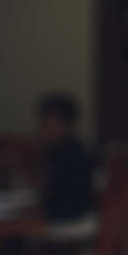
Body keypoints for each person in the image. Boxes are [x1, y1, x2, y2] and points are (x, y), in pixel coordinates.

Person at [36, 91, 94, 221]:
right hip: (67, 211)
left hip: (70, 215)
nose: (42, 132)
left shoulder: (71, 152)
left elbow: (69, 198)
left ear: (66, 124)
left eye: (47, 126)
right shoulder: (62, 148)